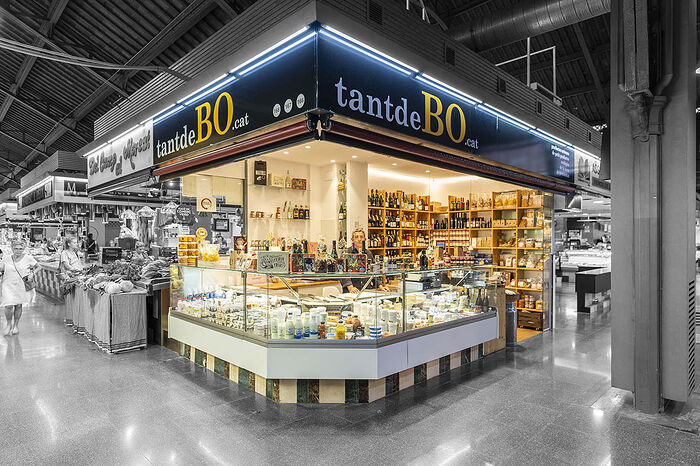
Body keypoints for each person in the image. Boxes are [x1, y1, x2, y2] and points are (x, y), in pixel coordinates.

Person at [1, 239, 37, 336]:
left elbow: (39, 266)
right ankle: (8, 324)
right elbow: (1, 269)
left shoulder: (28, 258)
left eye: (20, 249)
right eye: (16, 248)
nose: (18, 251)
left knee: (18, 305)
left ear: (23, 248)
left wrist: (32, 273)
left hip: (20, 285)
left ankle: (16, 325)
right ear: (12, 248)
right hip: (7, 284)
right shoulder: (6, 258)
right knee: (8, 305)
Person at [341, 228, 389, 294]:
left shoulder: (368, 253)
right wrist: (350, 287)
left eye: (361, 237)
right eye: (356, 237)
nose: (359, 239)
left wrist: (380, 286)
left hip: (366, 290)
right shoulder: (347, 253)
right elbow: (343, 273)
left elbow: (374, 271)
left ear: (365, 239)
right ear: (352, 239)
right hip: (351, 292)